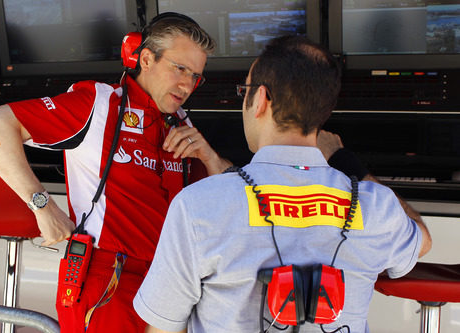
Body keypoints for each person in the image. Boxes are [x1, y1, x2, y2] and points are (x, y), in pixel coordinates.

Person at [133, 35, 432, 333]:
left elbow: (164, 326)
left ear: (261, 99)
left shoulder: (197, 206)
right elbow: (423, 240)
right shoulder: (376, 206)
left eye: (245, 91)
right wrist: (344, 159)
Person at [0, 13, 232, 332]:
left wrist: (209, 156)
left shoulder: (181, 123)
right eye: (180, 69)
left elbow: (231, 195)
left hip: (169, 284)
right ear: (147, 59)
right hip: (108, 280)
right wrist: (42, 205)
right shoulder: (98, 102)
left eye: (196, 76)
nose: (187, 85)